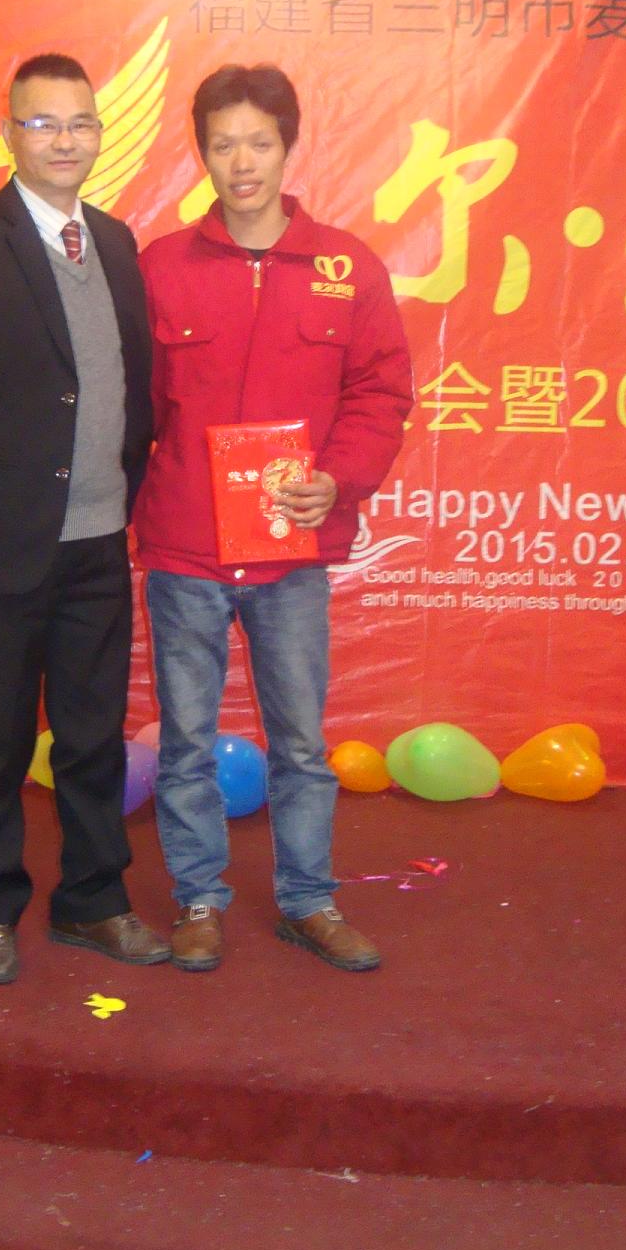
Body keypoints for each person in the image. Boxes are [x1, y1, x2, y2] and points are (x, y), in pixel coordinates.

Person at [134, 64, 413, 974]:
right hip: (186, 550)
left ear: (289, 146)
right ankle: (198, 900)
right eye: (223, 145)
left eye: (259, 142)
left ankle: (308, 901)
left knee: (300, 742)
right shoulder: (161, 268)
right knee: (185, 743)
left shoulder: (347, 267)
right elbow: (133, 407)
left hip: (293, 553)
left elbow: (381, 393)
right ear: (201, 153)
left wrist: (338, 481)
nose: (242, 162)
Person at [0, 53, 170, 984]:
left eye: (81, 123)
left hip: (99, 540)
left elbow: (131, 384)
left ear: (101, 133)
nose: (66, 140)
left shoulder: (118, 242)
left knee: (94, 736)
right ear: (9, 133)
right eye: (44, 123)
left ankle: (93, 901)